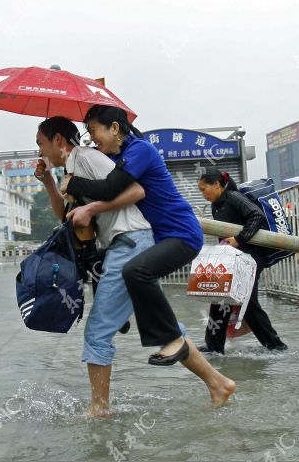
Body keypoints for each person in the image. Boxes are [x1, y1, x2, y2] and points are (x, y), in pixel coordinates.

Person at [62, 105, 236, 407]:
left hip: (181, 234)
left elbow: (109, 187)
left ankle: (171, 340)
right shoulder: (116, 158)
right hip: (157, 238)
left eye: (94, 131)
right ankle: (218, 383)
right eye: (87, 133)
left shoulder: (140, 150)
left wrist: (72, 182)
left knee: (134, 272)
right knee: (134, 277)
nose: (91, 139)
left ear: (115, 128)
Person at [35, 116, 152, 417]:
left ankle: (99, 409)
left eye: (40, 144)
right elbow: (65, 215)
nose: (39, 151)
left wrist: (94, 207)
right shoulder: (71, 168)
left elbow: (136, 190)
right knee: (162, 327)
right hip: (122, 246)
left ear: (58, 140)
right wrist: (48, 180)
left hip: (130, 242)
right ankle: (216, 380)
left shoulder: (87, 157)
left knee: (97, 332)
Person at [197, 168, 288, 354]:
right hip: (232, 260)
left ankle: (276, 346)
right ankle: (214, 346)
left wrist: (239, 239)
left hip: (249, 258)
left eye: (203, 188)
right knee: (220, 299)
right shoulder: (217, 205)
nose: (202, 193)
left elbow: (257, 216)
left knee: (248, 303)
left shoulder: (233, 198)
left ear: (216, 185)